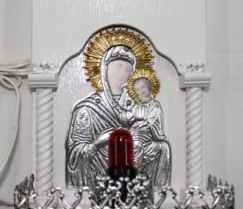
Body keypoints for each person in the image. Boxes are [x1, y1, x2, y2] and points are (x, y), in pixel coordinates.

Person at [65, 45, 137, 187]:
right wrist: (97, 143)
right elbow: (74, 154)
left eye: (128, 69)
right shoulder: (87, 110)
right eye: (118, 66)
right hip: (96, 184)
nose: (123, 73)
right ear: (105, 69)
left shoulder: (137, 107)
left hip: (131, 184)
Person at [127, 74, 171, 186]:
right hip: (134, 135)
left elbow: (155, 122)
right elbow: (129, 121)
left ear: (149, 87)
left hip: (148, 136)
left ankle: (142, 180)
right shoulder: (135, 107)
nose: (141, 91)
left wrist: (144, 123)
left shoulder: (155, 105)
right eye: (137, 89)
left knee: (142, 147)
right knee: (133, 145)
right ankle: (131, 179)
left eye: (143, 87)